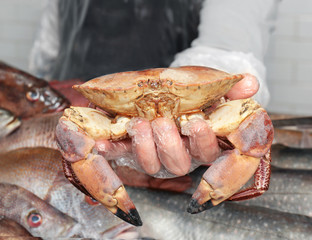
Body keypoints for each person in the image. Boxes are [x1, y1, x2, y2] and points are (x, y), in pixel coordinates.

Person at [30, 0, 279, 177]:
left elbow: (231, 38)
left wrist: (211, 75)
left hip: (198, 141)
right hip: (92, 112)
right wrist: (46, 86)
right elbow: (52, 37)